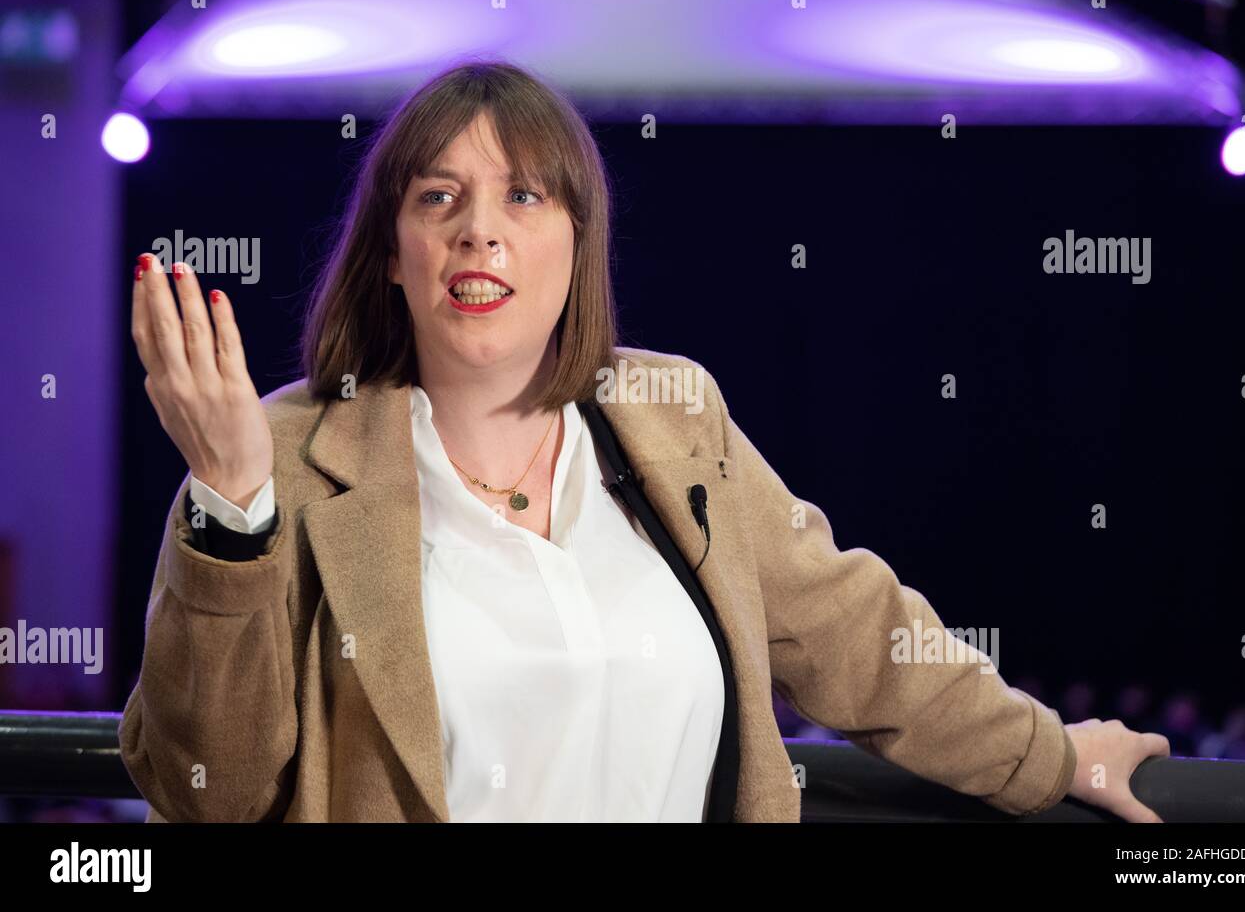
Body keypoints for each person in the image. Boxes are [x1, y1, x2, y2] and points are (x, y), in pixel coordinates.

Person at [119, 60, 1168, 823]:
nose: (479, 228)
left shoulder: (674, 412)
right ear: (392, 254)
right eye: (438, 197)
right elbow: (208, 785)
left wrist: (1049, 755)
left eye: (523, 195)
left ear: (578, 242)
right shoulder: (279, 458)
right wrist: (230, 501)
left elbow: (856, 630)